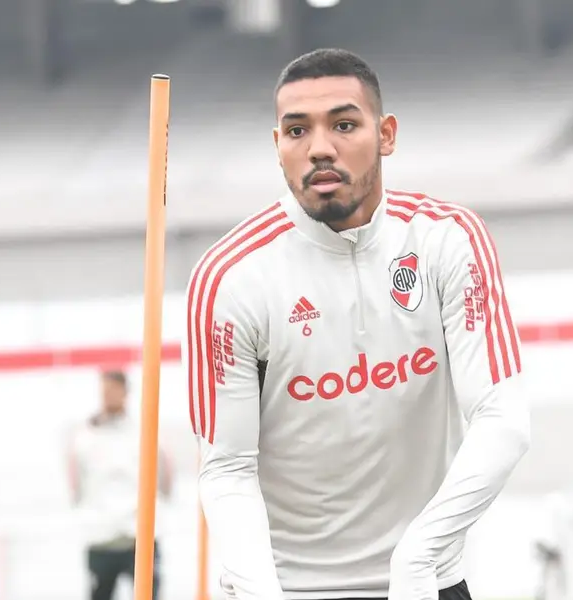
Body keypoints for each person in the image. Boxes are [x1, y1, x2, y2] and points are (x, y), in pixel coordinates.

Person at [185, 48, 530, 600]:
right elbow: (226, 468)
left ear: (386, 134)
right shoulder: (230, 276)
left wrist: (418, 558)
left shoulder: (447, 239)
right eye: (297, 130)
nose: (320, 147)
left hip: (427, 583)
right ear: (278, 147)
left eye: (344, 124)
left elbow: (503, 418)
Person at [67, 369, 173, 600]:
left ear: (126, 392)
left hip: (140, 536)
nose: (107, 395)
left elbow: (165, 476)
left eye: (113, 390)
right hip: (101, 536)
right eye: (104, 391)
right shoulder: (85, 436)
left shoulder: (146, 430)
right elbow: (75, 485)